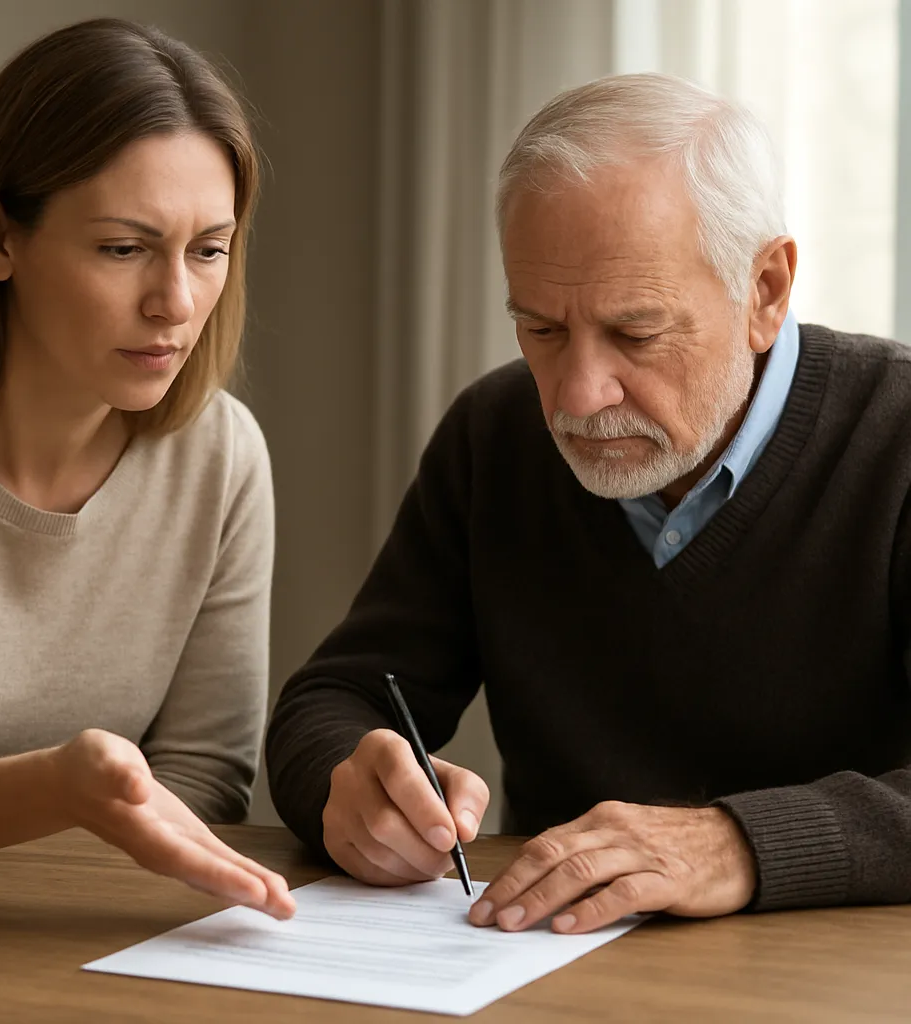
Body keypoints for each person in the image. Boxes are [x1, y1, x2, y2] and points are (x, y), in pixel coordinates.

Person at [266, 72, 911, 935]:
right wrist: (350, 782)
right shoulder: (495, 435)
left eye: (635, 334)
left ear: (765, 291)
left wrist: (737, 843)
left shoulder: (896, 438)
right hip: (537, 966)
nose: (577, 393)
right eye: (541, 328)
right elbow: (333, 699)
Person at [0, 17, 294, 920]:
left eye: (209, 249)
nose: (175, 302)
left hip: (73, 939)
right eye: (123, 248)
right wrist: (55, 791)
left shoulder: (220, 458)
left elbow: (197, 786)